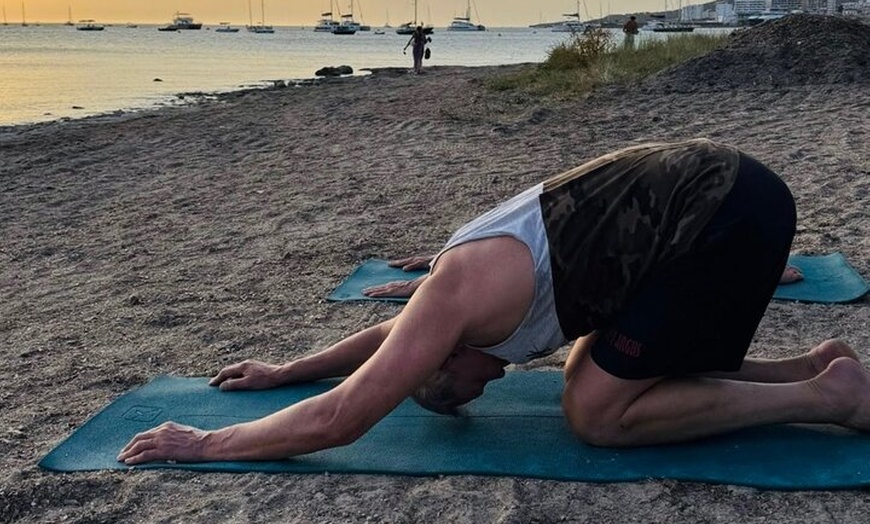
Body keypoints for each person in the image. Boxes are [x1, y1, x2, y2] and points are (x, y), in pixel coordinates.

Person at [118, 139, 870, 465]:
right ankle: (811, 366)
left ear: (446, 359)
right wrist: (288, 368)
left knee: (595, 414)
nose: (486, 390)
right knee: (594, 363)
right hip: (719, 205)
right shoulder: (455, 315)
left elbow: (343, 418)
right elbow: (387, 335)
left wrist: (208, 443)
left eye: (460, 395)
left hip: (720, 213)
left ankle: (830, 397)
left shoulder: (456, 298)